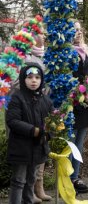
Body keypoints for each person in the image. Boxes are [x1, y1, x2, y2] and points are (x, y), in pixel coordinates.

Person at [6, 63, 53, 204]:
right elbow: (13, 120)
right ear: (23, 79)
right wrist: (34, 130)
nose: (34, 80)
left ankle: (28, 200)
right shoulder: (17, 98)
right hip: (21, 146)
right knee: (19, 180)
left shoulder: (45, 100)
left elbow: (51, 121)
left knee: (32, 178)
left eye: (37, 77)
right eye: (30, 77)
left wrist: (51, 132)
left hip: (38, 146)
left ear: (41, 80)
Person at [70, 21, 88, 193]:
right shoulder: (64, 52)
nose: (78, 33)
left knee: (80, 142)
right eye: (74, 30)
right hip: (71, 101)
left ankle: (75, 177)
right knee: (70, 141)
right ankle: (66, 178)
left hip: (86, 102)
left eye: (80, 30)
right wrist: (78, 90)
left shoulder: (87, 51)